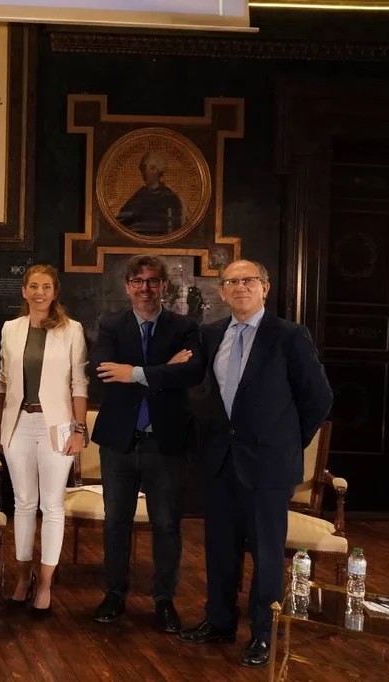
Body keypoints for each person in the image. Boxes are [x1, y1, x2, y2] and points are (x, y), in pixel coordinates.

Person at [179, 260, 333, 668]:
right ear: (222, 292)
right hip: (220, 461)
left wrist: (287, 442)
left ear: (265, 288)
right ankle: (219, 622)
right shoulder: (211, 335)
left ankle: (264, 635)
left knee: (266, 554)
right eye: (232, 282)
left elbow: (318, 398)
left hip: (268, 465)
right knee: (220, 549)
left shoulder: (289, 336)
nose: (240, 287)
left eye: (249, 281)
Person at [90, 254, 205, 632]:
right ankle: (114, 593)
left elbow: (191, 372)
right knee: (115, 522)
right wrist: (162, 370)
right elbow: (105, 372)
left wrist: (136, 372)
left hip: (166, 441)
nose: (145, 288)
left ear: (164, 287)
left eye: (153, 281)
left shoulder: (185, 326)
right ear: (127, 287)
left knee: (168, 524)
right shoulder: (110, 325)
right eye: (138, 281)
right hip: (119, 441)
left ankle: (164, 599)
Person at [0, 264, 88, 614]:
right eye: (33, 286)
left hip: (58, 425)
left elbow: (79, 384)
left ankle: (46, 582)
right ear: (24, 291)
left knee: (51, 506)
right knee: (22, 503)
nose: (39, 292)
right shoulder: (10, 328)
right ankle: (23, 576)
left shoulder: (71, 330)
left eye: (45, 287)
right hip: (18, 424)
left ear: (54, 292)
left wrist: (79, 430)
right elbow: (3, 382)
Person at [116, 151, 184, 237]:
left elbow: (174, 228)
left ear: (159, 171)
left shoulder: (170, 197)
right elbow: (122, 222)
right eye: (144, 168)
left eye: (152, 168)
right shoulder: (138, 196)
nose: (146, 172)